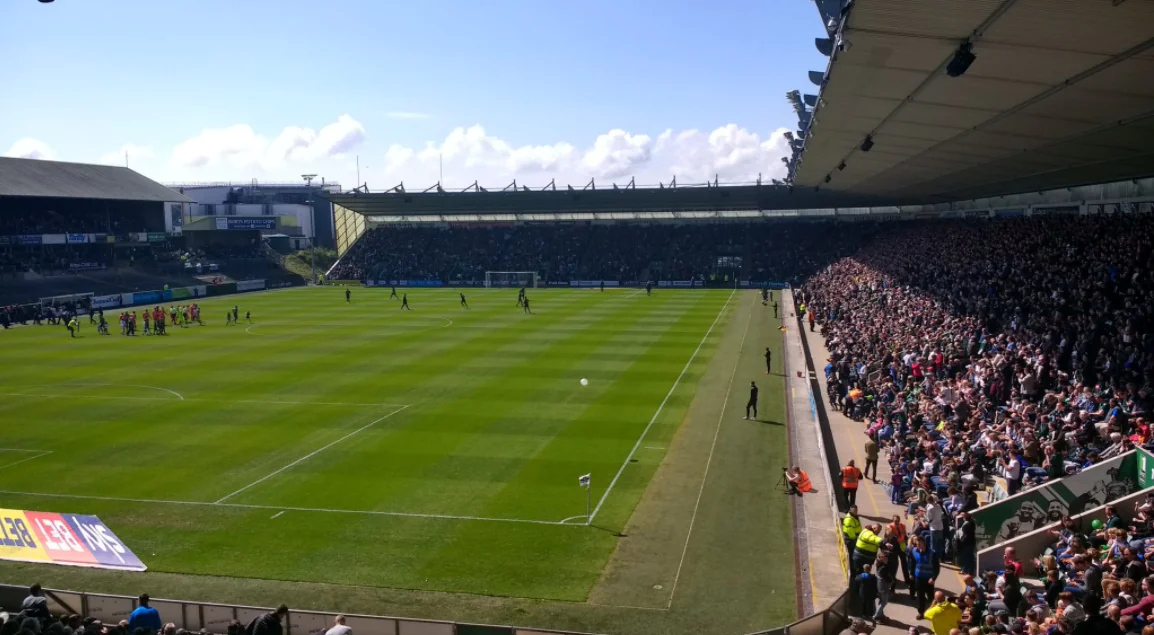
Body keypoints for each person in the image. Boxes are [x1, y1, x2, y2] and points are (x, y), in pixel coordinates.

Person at [911, 537, 936, 618]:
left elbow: (937, 567)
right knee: (920, 596)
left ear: (924, 543)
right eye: (916, 544)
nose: (917, 546)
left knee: (931, 597)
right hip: (918, 578)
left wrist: (933, 578)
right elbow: (913, 563)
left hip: (929, 579)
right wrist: (911, 573)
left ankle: (933, 612)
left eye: (919, 544)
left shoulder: (932, 553)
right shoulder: (914, 551)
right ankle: (921, 612)